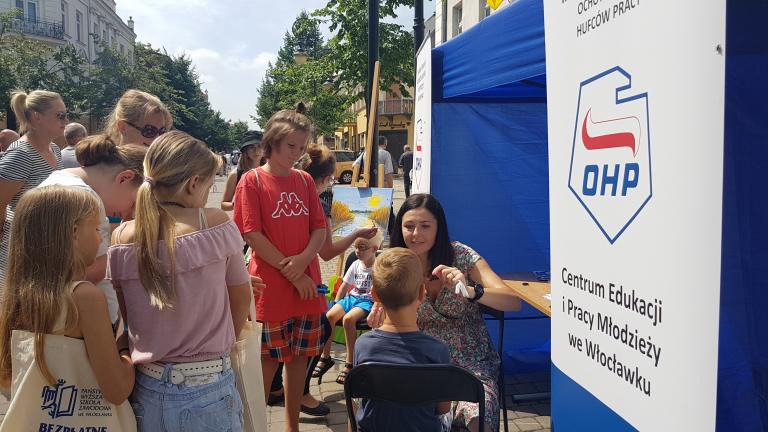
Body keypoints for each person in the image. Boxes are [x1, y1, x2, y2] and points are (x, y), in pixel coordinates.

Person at [107, 131, 251, 429]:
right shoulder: (216, 224)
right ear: (193, 184)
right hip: (209, 386)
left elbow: (126, 313)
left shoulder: (121, 237)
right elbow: (241, 297)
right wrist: (223, 343)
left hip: (147, 385)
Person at [368, 193, 522, 432]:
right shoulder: (395, 263)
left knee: (477, 420)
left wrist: (471, 291)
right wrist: (379, 318)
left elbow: (513, 302)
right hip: (418, 363)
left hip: (471, 367)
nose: (416, 234)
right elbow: (382, 316)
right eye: (409, 226)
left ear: (439, 228)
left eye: (425, 226)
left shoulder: (460, 255)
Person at [233, 108, 327, 432]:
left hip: (306, 284)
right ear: (271, 142)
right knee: (267, 361)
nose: (298, 154)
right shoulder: (252, 180)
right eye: (291, 146)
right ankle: (255, 425)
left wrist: (303, 263)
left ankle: (292, 426)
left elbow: (319, 228)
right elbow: (251, 233)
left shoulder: (304, 180)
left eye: (302, 147)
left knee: (301, 358)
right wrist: (294, 271)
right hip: (272, 289)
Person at [0, 186, 134, 404]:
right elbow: (117, 390)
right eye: (97, 230)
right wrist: (125, 345)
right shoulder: (84, 297)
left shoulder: (17, 297)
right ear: (74, 233)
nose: (101, 240)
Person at [40, 135, 146, 327]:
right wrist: (128, 250)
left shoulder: (60, 180)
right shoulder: (84, 198)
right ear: (125, 178)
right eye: (135, 203)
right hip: (81, 326)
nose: (129, 214)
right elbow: (75, 274)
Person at [354, 247, 452, 432]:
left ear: (374, 295)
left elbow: (360, 394)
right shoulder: (437, 350)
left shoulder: (363, 345)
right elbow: (443, 408)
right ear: (421, 293)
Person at [0, 90, 65, 288]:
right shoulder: (21, 154)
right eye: (60, 115)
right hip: (21, 245)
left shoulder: (54, 149)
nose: (66, 120)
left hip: (47, 242)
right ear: (37, 117)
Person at [314, 236, 380, 385]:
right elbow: (344, 285)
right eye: (356, 247)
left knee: (348, 319)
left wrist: (377, 306)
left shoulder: (378, 267)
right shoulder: (356, 264)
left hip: (367, 301)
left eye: (362, 248)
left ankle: (350, 362)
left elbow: (380, 290)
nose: (357, 251)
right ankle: (325, 357)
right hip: (351, 298)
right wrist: (337, 302)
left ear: (374, 249)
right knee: (329, 315)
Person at [104, 89, 172, 147]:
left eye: (162, 132)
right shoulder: (104, 161)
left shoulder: (162, 161)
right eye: (149, 131)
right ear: (123, 127)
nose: (157, 140)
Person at [221, 130, 263, 211]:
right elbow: (224, 205)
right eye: (251, 147)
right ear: (245, 150)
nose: (256, 150)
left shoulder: (272, 171)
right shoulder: (235, 174)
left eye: (260, 146)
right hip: (244, 221)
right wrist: (240, 203)